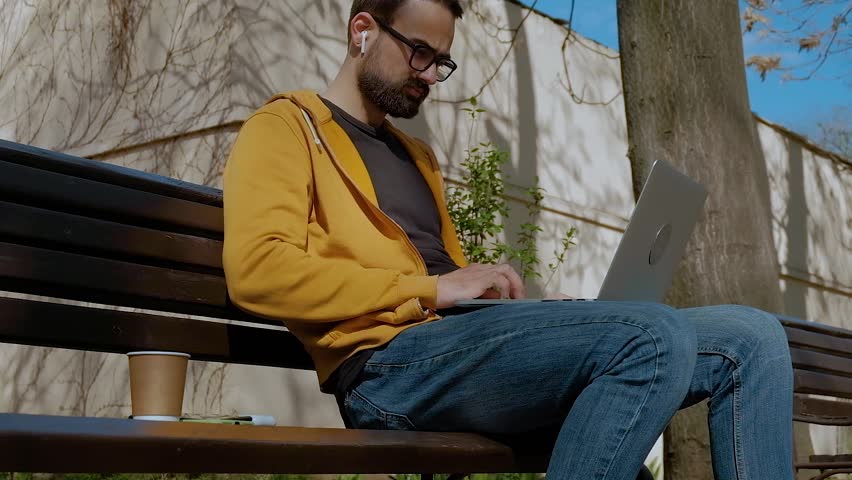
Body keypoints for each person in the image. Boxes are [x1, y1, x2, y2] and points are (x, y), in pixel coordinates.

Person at [221, 0, 794, 478]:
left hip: (459, 344)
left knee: (754, 336)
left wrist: (550, 320)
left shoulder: (416, 157)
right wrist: (429, 290)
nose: (429, 74)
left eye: (441, 62)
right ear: (362, 31)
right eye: (419, 52)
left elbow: (456, 289)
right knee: (651, 335)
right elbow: (258, 270)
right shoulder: (286, 129)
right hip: (388, 367)